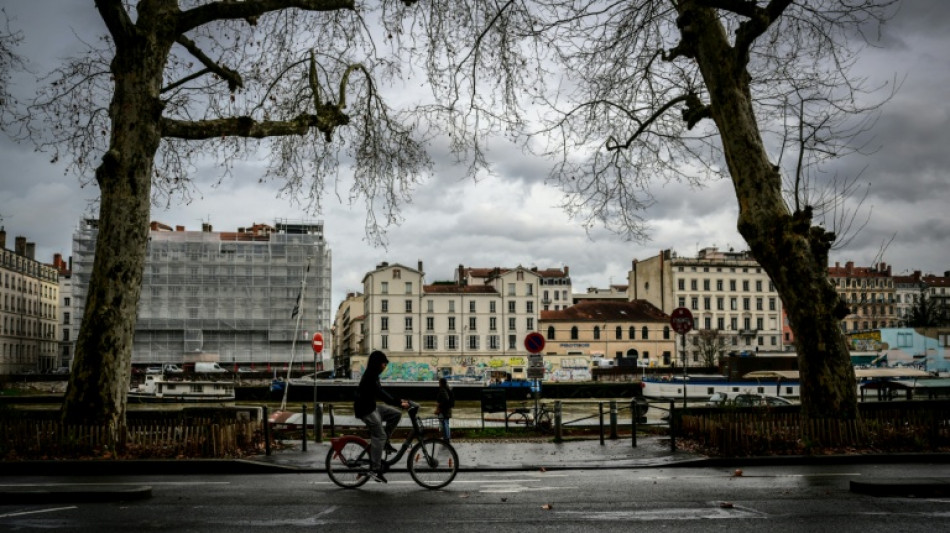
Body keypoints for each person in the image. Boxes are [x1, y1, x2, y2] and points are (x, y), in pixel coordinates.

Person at [354, 350, 408, 483]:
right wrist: (399, 402)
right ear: (377, 363)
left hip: (372, 406)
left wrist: (399, 401)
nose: (385, 367)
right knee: (380, 435)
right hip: (365, 410)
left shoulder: (374, 375)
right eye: (383, 364)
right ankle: (375, 470)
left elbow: (383, 393)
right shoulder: (370, 376)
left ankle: (385, 443)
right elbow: (382, 395)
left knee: (396, 414)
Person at [435, 377, 455, 442]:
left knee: (444, 423)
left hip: (444, 409)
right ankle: (447, 438)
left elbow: (445, 399)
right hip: (448, 409)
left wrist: (439, 406)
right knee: (446, 423)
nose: (438, 383)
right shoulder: (448, 388)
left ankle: (446, 438)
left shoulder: (443, 389)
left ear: (441, 383)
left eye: (439, 382)